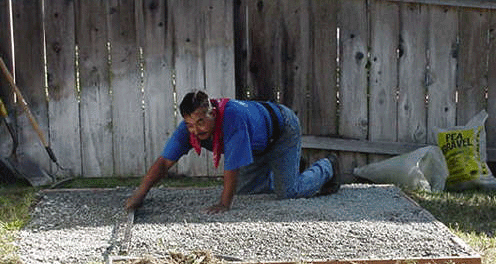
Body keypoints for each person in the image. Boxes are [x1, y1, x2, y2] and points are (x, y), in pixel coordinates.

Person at [125, 90, 340, 213]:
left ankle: (328, 166)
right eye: (190, 124)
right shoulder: (187, 131)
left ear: (213, 113)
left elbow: (232, 167)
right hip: (257, 143)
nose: (196, 129)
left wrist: (223, 204)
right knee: (246, 190)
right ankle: (292, 167)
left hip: (282, 128)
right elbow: (164, 162)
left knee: (288, 193)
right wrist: (140, 194)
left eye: (201, 122)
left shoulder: (232, 119)